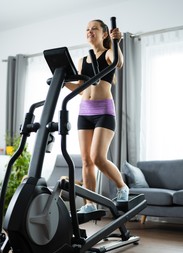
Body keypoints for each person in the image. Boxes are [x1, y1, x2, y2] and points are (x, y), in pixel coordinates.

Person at [65, 19, 129, 213]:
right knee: (86, 160)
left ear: (105, 34)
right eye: (87, 29)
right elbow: (78, 87)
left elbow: (118, 62)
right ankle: (89, 205)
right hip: (84, 111)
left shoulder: (108, 53)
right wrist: (61, 81)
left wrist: (117, 43)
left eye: (94, 28)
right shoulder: (82, 61)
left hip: (104, 111)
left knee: (98, 158)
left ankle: (122, 187)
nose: (89, 31)